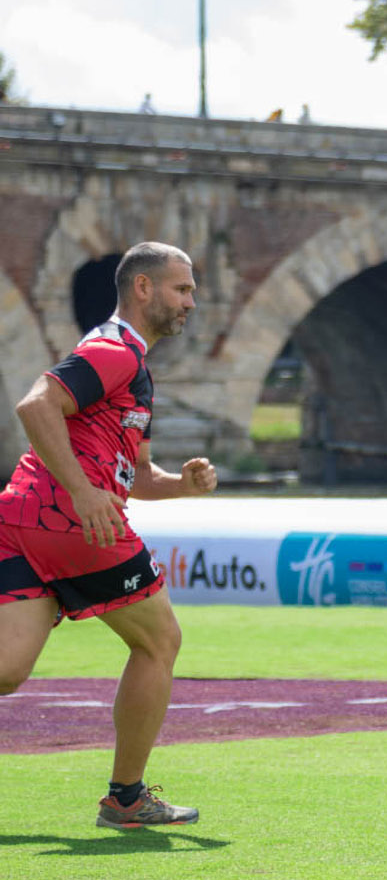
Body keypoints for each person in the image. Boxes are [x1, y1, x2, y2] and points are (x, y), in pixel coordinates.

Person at [0, 242, 217, 828]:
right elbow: (35, 404)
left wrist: (182, 485)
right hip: (74, 524)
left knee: (6, 670)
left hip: (23, 517)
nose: (191, 302)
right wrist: (81, 491)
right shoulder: (113, 349)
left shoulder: (135, 370)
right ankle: (126, 800)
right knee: (158, 642)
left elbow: (135, 477)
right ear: (142, 288)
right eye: (182, 289)